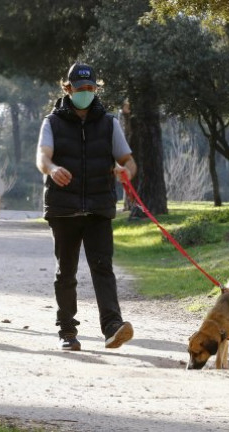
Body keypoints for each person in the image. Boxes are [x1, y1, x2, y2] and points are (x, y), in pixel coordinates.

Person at [36, 63, 137, 351]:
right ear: (68, 89)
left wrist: (125, 170)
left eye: (91, 88)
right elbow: (43, 158)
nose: (86, 93)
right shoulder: (52, 122)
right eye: (81, 89)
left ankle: (113, 327)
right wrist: (53, 169)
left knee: (103, 267)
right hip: (63, 209)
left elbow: (128, 160)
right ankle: (67, 331)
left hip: (98, 207)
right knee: (65, 271)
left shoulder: (109, 123)